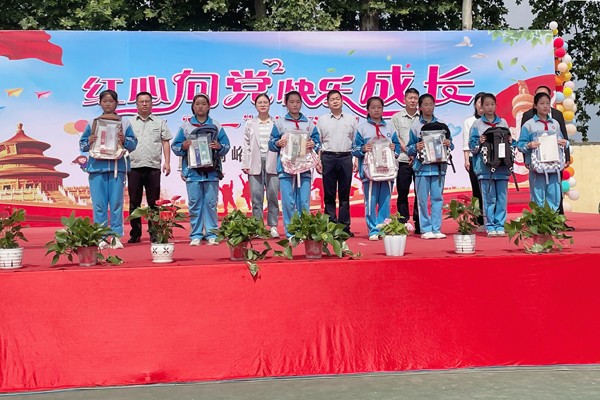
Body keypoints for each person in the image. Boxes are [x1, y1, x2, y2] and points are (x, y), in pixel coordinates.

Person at [79, 89, 137, 249]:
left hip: (117, 167)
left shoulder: (124, 123)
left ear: (116, 103)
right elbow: (82, 145)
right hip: (97, 168)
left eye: (111, 101)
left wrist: (124, 140)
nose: (108, 104)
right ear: (100, 103)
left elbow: (133, 144)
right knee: (99, 204)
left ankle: (116, 237)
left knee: (117, 203)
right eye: (105, 101)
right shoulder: (93, 123)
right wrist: (89, 140)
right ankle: (101, 237)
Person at [172, 93, 230, 246]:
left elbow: (226, 146)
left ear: (209, 106)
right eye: (197, 103)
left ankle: (212, 233)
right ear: (193, 106)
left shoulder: (216, 125)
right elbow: (175, 147)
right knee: (194, 203)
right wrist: (183, 146)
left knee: (211, 203)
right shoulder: (186, 126)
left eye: (204, 104)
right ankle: (196, 234)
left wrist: (219, 146)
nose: (200, 106)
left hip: (212, 172)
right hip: (192, 172)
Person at [520, 85, 574, 230]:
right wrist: (529, 145)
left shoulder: (555, 124)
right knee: (538, 196)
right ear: (535, 105)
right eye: (542, 103)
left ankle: (552, 225)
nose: (545, 106)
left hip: (554, 166)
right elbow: (520, 144)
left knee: (554, 196)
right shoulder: (529, 125)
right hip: (538, 168)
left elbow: (564, 139)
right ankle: (539, 226)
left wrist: (565, 143)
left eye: (547, 103)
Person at [269, 90, 320, 238]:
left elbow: (318, 142)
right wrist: (278, 143)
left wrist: (313, 144)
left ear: (301, 103)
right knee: (288, 202)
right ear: (286, 104)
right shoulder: (279, 123)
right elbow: (271, 143)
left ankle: (304, 231)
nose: (295, 105)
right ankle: (291, 233)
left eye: (298, 102)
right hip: (285, 168)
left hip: (304, 167)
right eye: (291, 102)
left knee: (304, 201)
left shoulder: (309, 123)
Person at [352, 96, 401, 240]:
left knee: (385, 201)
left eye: (379, 107)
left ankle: (383, 228)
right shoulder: (361, 129)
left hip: (387, 172)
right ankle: (373, 230)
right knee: (371, 201)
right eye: (373, 107)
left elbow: (398, 147)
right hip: (370, 173)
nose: (376, 110)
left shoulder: (390, 128)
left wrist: (394, 148)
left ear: (383, 109)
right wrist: (363, 148)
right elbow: (354, 149)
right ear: (367, 110)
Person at [406, 94, 454, 240]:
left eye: (431, 104)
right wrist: (416, 146)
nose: (428, 107)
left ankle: (436, 228)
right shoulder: (415, 126)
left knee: (437, 198)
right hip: (422, 169)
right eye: (425, 104)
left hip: (439, 168)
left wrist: (448, 143)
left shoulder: (442, 124)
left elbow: (451, 145)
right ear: (420, 107)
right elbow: (409, 149)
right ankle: (426, 228)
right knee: (422, 200)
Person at [127, 91, 172, 244]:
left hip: (153, 166)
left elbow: (165, 142)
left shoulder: (159, 122)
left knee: (154, 202)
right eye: (141, 101)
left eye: (147, 101)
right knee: (134, 202)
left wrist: (167, 162)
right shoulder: (129, 123)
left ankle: (154, 233)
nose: (144, 104)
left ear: (152, 104)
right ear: (136, 104)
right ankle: (135, 233)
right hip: (134, 166)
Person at [469, 93, 512, 237]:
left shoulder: (503, 122)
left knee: (501, 198)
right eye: (486, 104)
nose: (490, 107)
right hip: (485, 168)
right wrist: (479, 141)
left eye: (492, 104)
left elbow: (511, 142)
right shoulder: (477, 124)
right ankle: (490, 225)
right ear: (481, 107)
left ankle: (500, 225)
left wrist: (511, 141)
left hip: (502, 167)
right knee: (489, 198)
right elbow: (472, 146)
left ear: (496, 105)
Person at [317, 90, 357, 236]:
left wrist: (356, 159)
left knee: (345, 194)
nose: (335, 101)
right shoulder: (322, 120)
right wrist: (318, 160)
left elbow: (356, 142)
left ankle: (344, 227)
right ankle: (331, 226)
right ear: (327, 103)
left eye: (337, 99)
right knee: (329, 194)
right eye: (332, 99)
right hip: (328, 157)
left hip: (346, 157)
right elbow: (318, 142)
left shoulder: (351, 119)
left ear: (342, 101)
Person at [241, 93, 280, 238]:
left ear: (269, 104)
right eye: (260, 102)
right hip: (254, 162)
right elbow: (246, 144)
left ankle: (273, 226)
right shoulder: (250, 123)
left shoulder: (276, 123)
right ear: (255, 105)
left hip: (272, 161)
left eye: (265, 102)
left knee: (273, 195)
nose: (263, 105)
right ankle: (257, 227)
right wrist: (245, 163)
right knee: (256, 197)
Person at [391, 88, 421, 234]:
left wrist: (415, 153)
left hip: (420, 160)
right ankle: (402, 222)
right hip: (403, 160)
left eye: (415, 98)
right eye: (410, 98)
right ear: (404, 99)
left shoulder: (422, 117)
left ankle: (419, 221)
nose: (413, 100)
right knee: (402, 192)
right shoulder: (397, 117)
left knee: (419, 192)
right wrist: (409, 151)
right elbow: (396, 138)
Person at [462, 91, 486, 230]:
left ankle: (490, 219)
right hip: (474, 158)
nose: (482, 105)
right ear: (475, 105)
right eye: (479, 102)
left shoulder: (494, 121)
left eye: (485, 102)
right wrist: (466, 159)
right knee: (477, 190)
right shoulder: (469, 121)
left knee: (488, 191)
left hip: (491, 159)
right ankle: (479, 220)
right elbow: (466, 142)